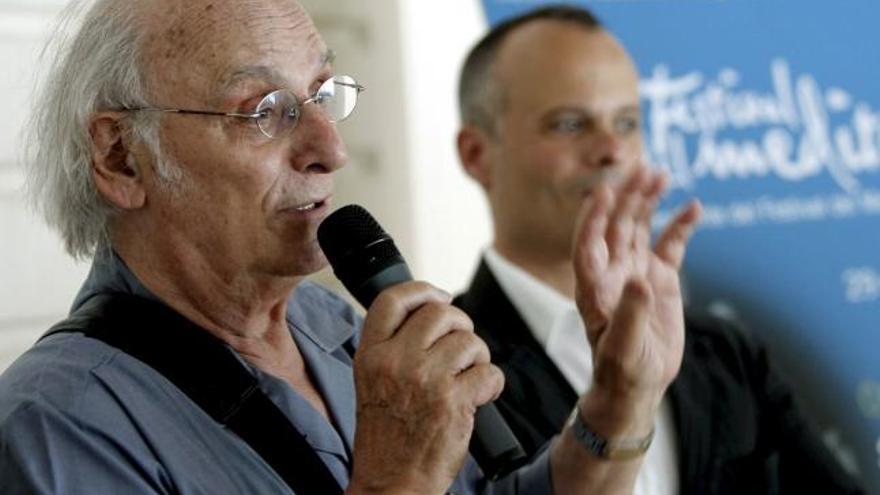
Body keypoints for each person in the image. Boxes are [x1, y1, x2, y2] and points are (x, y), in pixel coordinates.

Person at [1, 0, 698, 493]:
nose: (331, 149)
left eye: (322, 95)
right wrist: (398, 479)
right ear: (121, 156)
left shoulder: (337, 328)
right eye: (265, 112)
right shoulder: (55, 425)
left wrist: (619, 401)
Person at [453, 5, 865, 495]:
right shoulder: (450, 371)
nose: (612, 150)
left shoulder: (726, 356)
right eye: (569, 124)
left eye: (627, 123)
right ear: (477, 154)